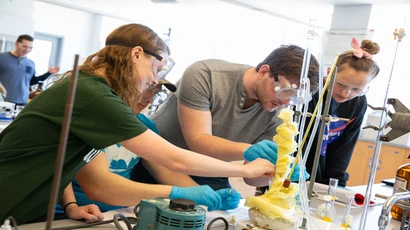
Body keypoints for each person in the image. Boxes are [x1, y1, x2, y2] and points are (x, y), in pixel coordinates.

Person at [0, 23, 275, 225]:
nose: (155, 80)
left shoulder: (88, 89)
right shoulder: (93, 94)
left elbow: (62, 159)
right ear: (136, 54)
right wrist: (243, 165)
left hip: (28, 210)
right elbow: (173, 159)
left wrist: (69, 203)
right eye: (157, 68)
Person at [138, 45, 320, 191]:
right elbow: (198, 141)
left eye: (296, 98)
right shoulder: (206, 74)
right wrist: (249, 149)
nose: (287, 102)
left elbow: (252, 179)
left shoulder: (278, 111)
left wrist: (279, 170)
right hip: (156, 165)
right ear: (264, 71)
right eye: (286, 91)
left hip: (212, 174)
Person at [55, 79, 241, 218]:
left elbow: (169, 170)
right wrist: (70, 206)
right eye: (146, 88)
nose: (150, 98)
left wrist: (208, 195)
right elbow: (66, 172)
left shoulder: (144, 125)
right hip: (66, 215)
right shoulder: (91, 119)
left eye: (156, 91)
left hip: (115, 213)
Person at [302, 38, 380, 187]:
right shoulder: (311, 93)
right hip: (291, 175)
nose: (346, 93)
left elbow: (344, 149)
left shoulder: (358, 103)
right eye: (341, 84)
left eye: (356, 89)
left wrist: (335, 186)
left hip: (320, 184)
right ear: (330, 72)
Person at [0, 34, 60, 105]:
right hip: (3, 100)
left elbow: (31, 81)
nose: (27, 50)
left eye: (30, 48)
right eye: (24, 46)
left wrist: (48, 73)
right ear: (16, 44)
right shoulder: (2, 58)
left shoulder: (30, 63)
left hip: (22, 101)